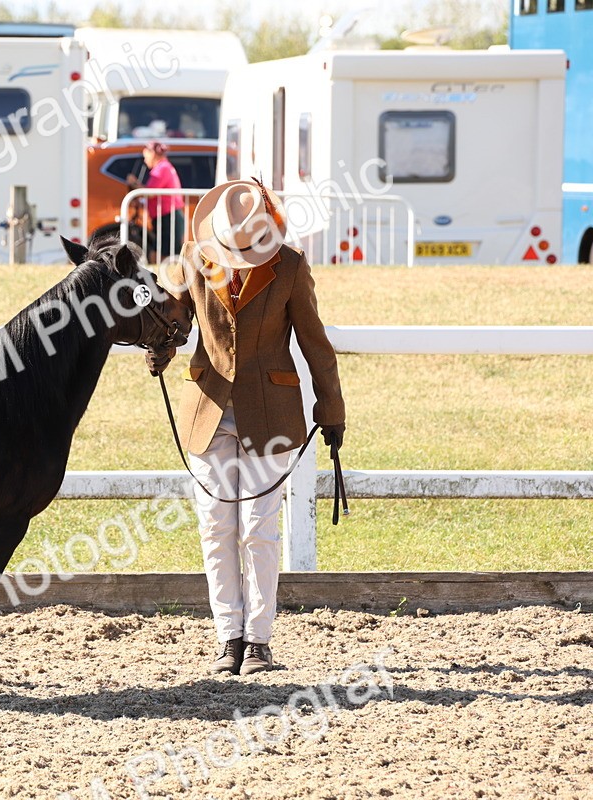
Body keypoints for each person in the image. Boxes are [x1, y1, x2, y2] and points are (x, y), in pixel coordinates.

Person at [149, 179, 346, 676]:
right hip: (209, 406)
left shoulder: (291, 267)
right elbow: (178, 318)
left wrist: (332, 409)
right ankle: (227, 638)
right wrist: (162, 345)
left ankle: (258, 640)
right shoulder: (194, 256)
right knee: (216, 526)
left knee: (259, 527)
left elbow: (315, 343)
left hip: (271, 411)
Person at [126, 140, 184, 260]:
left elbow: (150, 193)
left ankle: (159, 276)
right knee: (163, 250)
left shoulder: (161, 169)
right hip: (166, 215)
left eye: (145, 155)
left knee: (164, 253)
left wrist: (134, 183)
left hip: (168, 216)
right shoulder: (163, 167)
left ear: (152, 153)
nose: (144, 159)